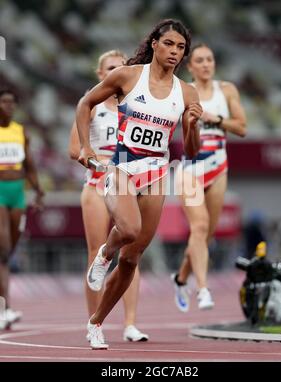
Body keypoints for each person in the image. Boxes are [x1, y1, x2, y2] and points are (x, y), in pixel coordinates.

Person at [76, 19, 202, 349]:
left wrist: (191, 126)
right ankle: (105, 253)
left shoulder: (186, 92)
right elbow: (85, 103)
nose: (175, 52)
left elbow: (190, 151)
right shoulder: (128, 76)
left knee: (132, 259)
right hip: (122, 167)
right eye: (170, 44)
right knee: (128, 230)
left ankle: (96, 322)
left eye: (181, 48)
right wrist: (86, 148)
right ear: (155, 44)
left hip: (157, 174)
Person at [69, 50, 148, 342]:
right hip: (97, 184)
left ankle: (130, 324)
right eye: (111, 68)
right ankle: (94, 324)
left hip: (127, 184)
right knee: (96, 253)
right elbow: (74, 149)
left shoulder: (136, 106)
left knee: (131, 252)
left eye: (122, 67)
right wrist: (101, 160)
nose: (118, 71)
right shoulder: (92, 105)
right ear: (102, 75)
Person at [172, 43, 247, 312]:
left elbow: (241, 127)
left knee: (206, 235)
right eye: (200, 61)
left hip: (218, 166)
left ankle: (180, 278)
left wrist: (215, 119)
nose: (206, 64)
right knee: (200, 227)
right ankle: (202, 289)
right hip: (190, 167)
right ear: (190, 66)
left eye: (209, 60)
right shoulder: (183, 92)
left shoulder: (225, 90)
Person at [0, 89, 44, 329]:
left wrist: (38, 190)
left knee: (9, 252)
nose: (8, 106)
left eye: (12, 102)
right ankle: (3, 308)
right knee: (4, 250)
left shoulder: (20, 131)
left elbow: (29, 164)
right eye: (4, 102)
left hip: (17, 192)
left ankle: (4, 307)